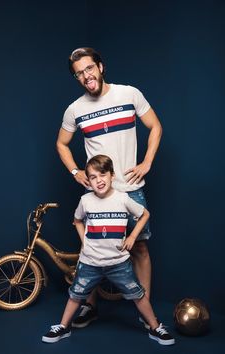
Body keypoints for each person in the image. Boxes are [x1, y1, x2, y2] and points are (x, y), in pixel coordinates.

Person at [56, 47, 162, 328]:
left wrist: (147, 162)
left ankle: (145, 311)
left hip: (130, 187)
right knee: (92, 250)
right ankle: (89, 307)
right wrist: (76, 171)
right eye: (79, 73)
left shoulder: (129, 94)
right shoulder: (75, 110)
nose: (85, 76)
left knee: (139, 249)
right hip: (98, 193)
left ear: (100, 67)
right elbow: (61, 144)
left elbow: (155, 126)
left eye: (89, 68)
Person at [42, 155, 175, 346]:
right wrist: (84, 242)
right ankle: (63, 327)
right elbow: (77, 220)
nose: (99, 180)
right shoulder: (86, 200)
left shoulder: (122, 199)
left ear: (112, 175)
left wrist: (131, 237)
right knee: (75, 295)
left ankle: (155, 327)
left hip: (119, 263)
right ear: (89, 181)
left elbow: (145, 214)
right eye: (93, 177)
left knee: (137, 294)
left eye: (102, 175)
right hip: (90, 263)